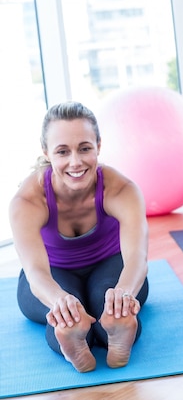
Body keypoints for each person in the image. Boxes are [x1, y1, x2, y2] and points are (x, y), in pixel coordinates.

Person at [10, 102, 149, 373]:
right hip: (52, 272)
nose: (76, 162)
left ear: (98, 144)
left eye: (85, 148)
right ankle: (73, 341)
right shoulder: (28, 199)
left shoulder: (121, 189)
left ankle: (118, 335)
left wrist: (123, 294)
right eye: (63, 151)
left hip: (110, 265)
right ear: (46, 152)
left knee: (111, 305)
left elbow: (137, 258)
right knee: (66, 316)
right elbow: (36, 271)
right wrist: (59, 301)